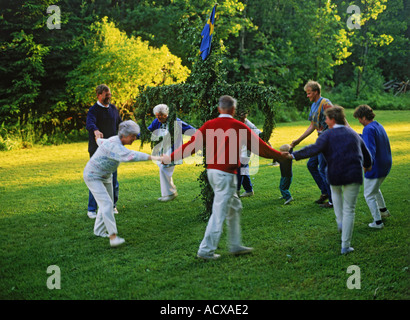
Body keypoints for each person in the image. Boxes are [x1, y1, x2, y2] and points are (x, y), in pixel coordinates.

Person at [164, 95, 287, 260]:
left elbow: (191, 146)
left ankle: (235, 245)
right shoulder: (238, 126)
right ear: (234, 110)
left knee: (234, 207)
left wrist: (171, 157)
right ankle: (205, 250)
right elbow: (260, 148)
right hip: (226, 174)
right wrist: (281, 156)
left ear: (219, 109)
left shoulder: (210, 125)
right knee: (219, 212)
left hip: (213, 173)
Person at [286, 106, 372, 254]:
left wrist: (293, 156)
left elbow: (312, 149)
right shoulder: (353, 133)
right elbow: (366, 153)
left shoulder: (327, 135)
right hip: (353, 174)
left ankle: (340, 222)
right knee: (349, 209)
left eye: (326, 118)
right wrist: (368, 165)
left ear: (332, 119)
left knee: (337, 197)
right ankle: (345, 246)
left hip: (335, 174)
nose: (325, 121)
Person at [83, 120, 161, 247]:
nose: (135, 139)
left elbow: (102, 142)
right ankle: (113, 237)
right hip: (93, 176)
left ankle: (98, 231)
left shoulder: (113, 140)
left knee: (107, 203)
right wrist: (155, 158)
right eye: (133, 136)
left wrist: (97, 138)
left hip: (106, 176)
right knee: (107, 204)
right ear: (124, 136)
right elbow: (131, 156)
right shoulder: (116, 145)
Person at [290, 80, 333, 208]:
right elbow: (313, 126)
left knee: (323, 169)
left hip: (327, 140)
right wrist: (298, 140)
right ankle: (325, 192)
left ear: (316, 92)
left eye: (309, 93)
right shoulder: (313, 105)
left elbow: (334, 122)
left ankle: (332, 201)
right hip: (320, 139)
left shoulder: (325, 103)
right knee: (311, 164)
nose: (307, 95)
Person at [86, 84, 122, 219]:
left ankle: (112, 206)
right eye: (106, 95)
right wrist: (95, 130)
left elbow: (120, 124)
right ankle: (92, 209)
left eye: (110, 94)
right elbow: (90, 123)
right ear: (99, 95)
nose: (109, 97)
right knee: (96, 179)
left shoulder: (113, 109)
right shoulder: (93, 110)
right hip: (97, 151)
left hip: (113, 150)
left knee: (113, 179)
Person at [353, 105, 392, 229]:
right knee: (375, 189)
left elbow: (370, 151)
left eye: (359, 118)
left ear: (364, 117)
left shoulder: (368, 129)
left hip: (376, 166)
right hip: (386, 164)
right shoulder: (377, 125)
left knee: (368, 194)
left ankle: (378, 222)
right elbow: (369, 139)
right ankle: (383, 211)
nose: (359, 121)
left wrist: (366, 165)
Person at [148, 104, 196, 202]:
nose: (158, 118)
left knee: (163, 168)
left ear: (166, 115)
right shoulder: (156, 122)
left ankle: (170, 193)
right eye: (156, 115)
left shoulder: (176, 122)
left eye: (160, 116)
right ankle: (168, 193)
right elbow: (148, 130)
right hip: (162, 149)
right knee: (163, 169)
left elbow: (190, 129)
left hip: (173, 150)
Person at [235, 110, 261, 197]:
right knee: (244, 170)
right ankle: (249, 190)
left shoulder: (248, 124)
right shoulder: (236, 121)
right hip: (239, 150)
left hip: (246, 151)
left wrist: (268, 143)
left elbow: (260, 134)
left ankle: (236, 191)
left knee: (239, 169)